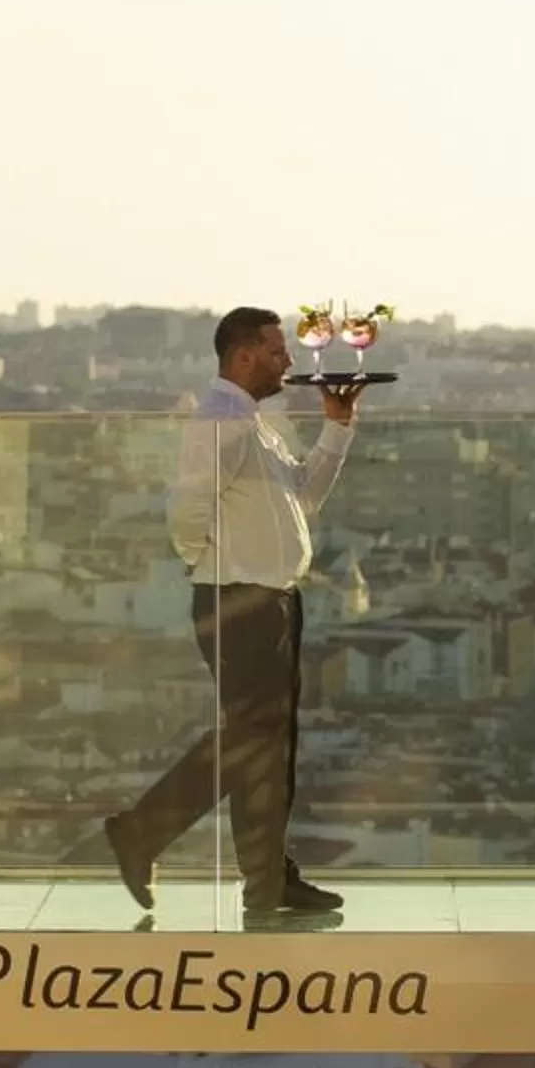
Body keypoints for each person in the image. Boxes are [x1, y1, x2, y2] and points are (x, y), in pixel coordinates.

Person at [103, 306, 365, 922]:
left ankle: (268, 881)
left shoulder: (256, 425)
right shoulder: (221, 423)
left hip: (271, 599)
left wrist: (339, 426)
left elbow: (303, 497)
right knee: (252, 740)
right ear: (243, 355)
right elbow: (187, 508)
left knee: (271, 747)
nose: (289, 362)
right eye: (278, 352)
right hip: (238, 598)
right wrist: (207, 560)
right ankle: (143, 830)